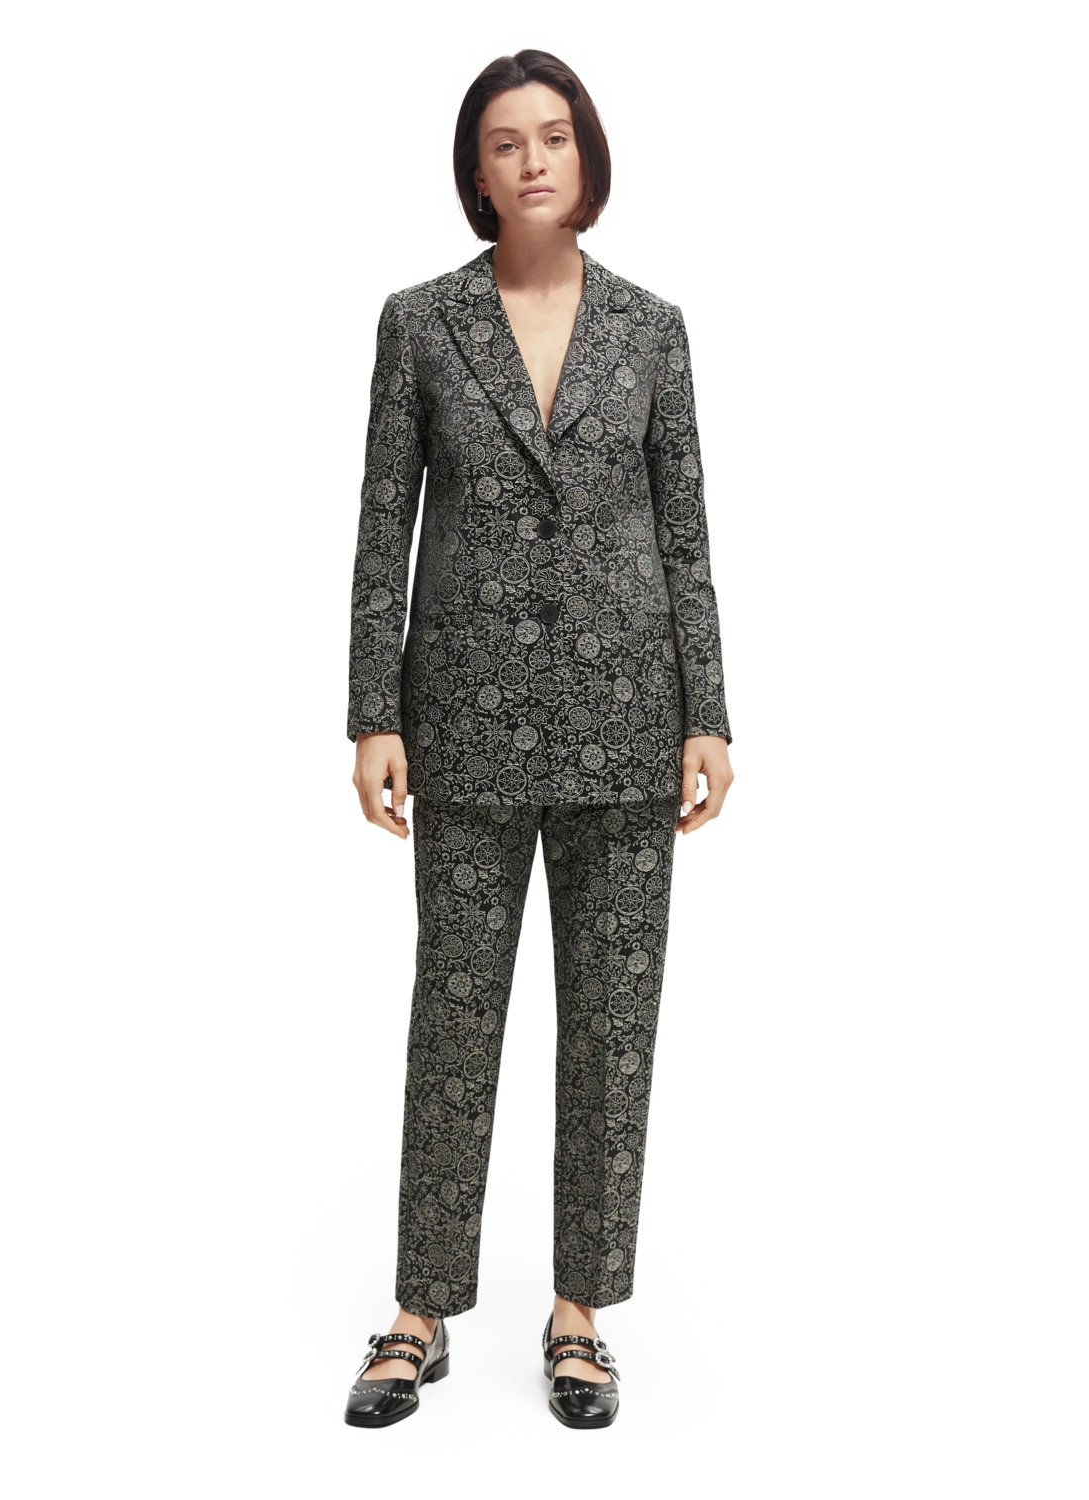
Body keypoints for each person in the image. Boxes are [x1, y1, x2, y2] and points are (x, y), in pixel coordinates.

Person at [345, 48, 733, 1431]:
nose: (531, 162)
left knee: (613, 1029)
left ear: (589, 157)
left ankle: (581, 1314)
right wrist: (375, 713)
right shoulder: (418, 326)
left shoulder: (654, 332)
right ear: (474, 168)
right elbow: (386, 526)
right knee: (454, 1019)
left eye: (553, 137)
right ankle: (420, 1310)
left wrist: (708, 712)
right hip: (464, 722)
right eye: (504, 142)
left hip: (631, 722)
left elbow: (684, 532)